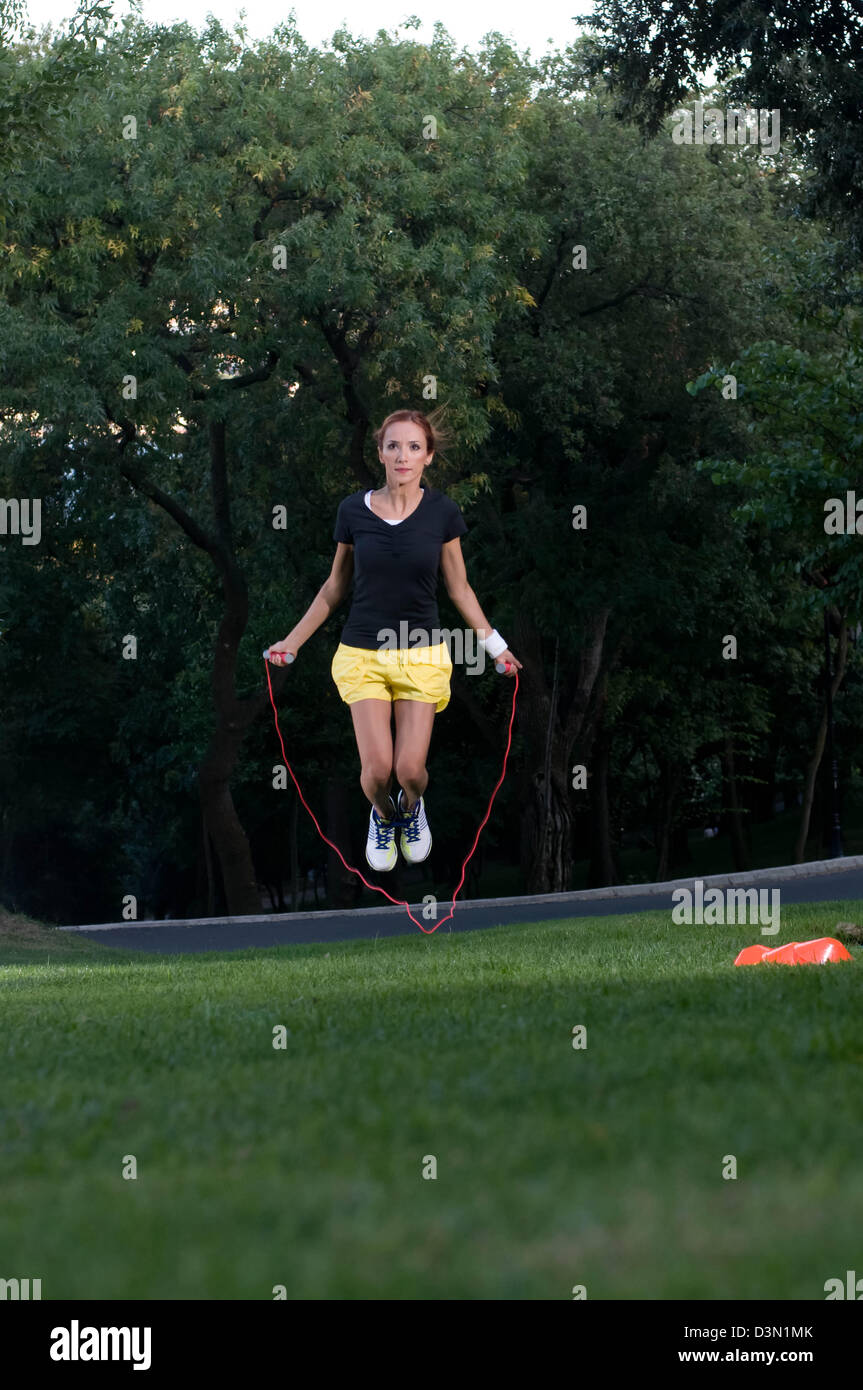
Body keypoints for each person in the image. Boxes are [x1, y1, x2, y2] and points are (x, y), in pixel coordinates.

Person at [266, 408, 521, 872]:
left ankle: (413, 807)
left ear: (428, 457)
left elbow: (459, 588)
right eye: (393, 446)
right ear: (380, 452)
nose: (403, 455)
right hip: (362, 654)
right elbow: (333, 589)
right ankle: (384, 814)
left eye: (413, 447)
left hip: (422, 656)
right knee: (378, 772)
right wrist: (292, 642)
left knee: (409, 772)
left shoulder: (442, 512)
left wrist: (496, 647)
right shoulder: (352, 511)